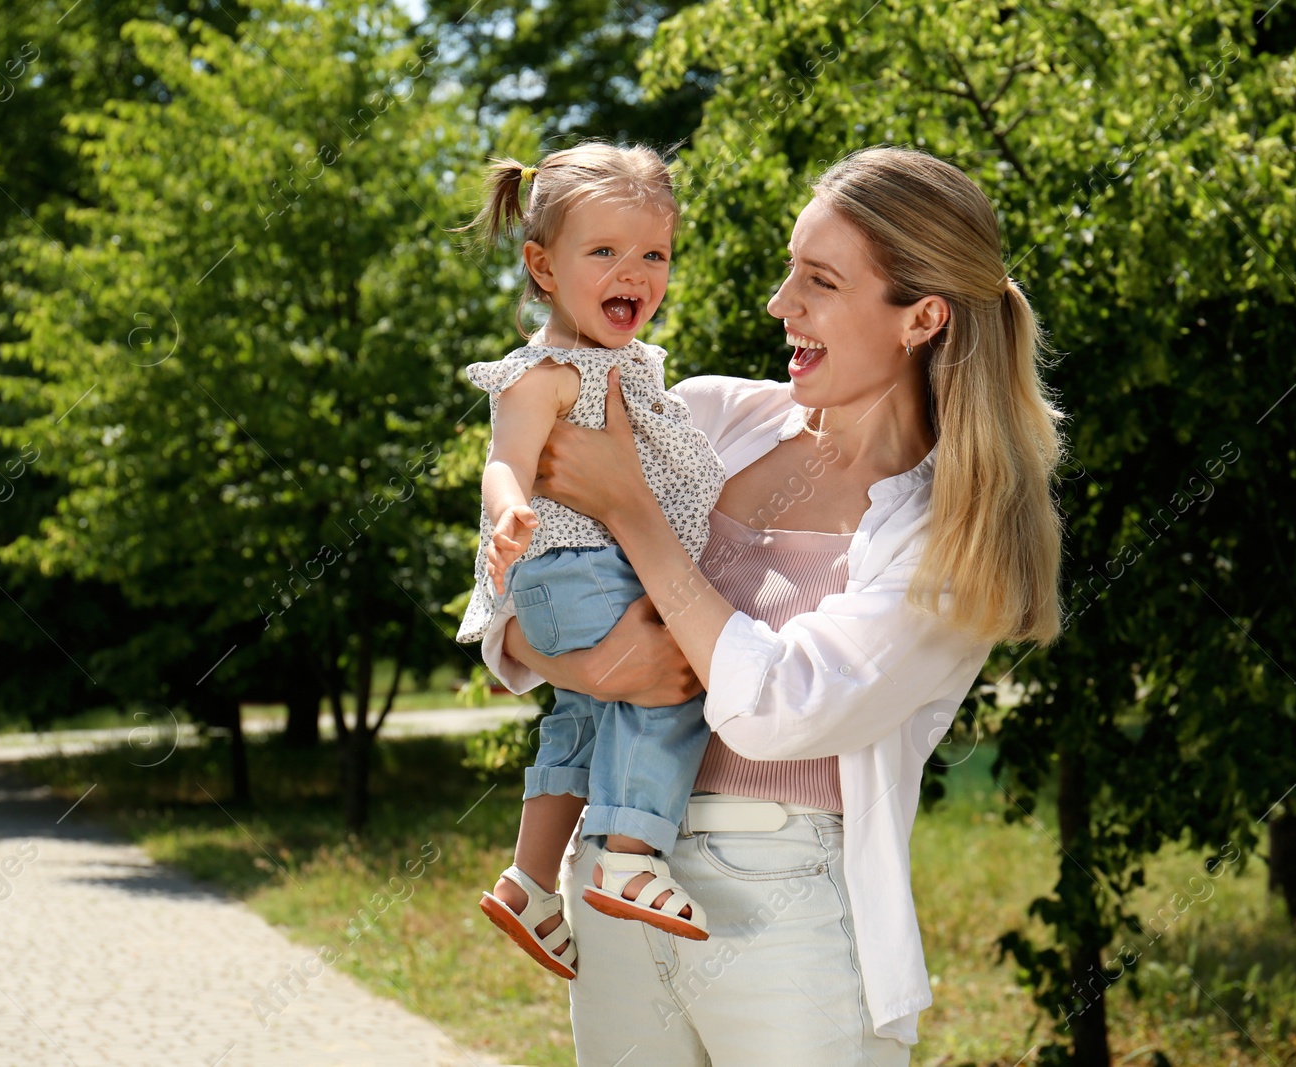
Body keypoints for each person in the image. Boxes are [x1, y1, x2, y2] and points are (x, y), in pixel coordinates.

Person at [482, 145, 1068, 1065]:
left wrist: (636, 512)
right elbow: (520, 585)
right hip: (614, 878)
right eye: (790, 269)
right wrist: (579, 665)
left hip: (785, 913)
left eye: (820, 281)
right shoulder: (712, 417)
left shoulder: (949, 532)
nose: (780, 303)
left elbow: (779, 709)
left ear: (922, 317)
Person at [452, 141, 728, 981]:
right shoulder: (546, 372)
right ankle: (632, 852)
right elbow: (504, 459)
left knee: (580, 718)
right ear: (541, 265)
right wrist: (509, 516)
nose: (633, 272)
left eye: (654, 254)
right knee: (670, 687)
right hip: (570, 563)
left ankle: (532, 879)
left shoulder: (632, 366)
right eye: (603, 251)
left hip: (574, 572)